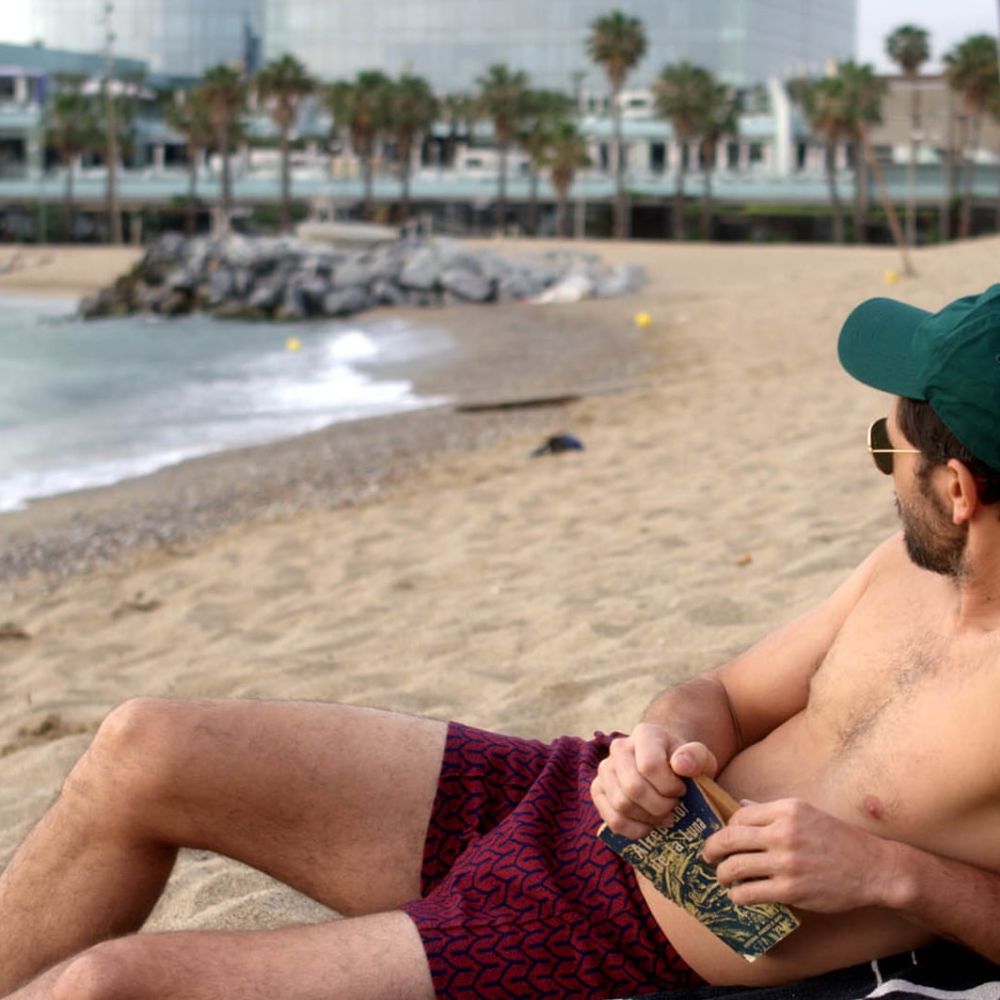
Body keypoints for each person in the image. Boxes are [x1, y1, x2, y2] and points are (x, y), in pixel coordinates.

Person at [4, 285, 1000, 1000]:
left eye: (889, 451)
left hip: (603, 940)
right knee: (146, 745)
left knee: (109, 986)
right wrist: (663, 741)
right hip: (579, 798)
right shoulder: (904, 568)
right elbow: (728, 693)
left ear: (957, 490)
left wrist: (889, 876)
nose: (884, 473)